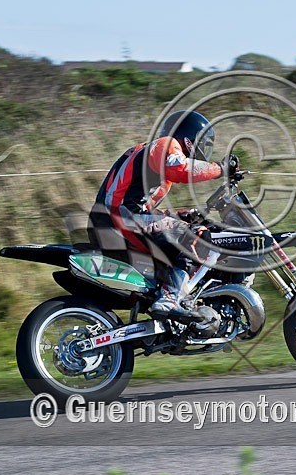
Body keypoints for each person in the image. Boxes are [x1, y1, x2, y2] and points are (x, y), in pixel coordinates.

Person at [90, 110, 239, 322]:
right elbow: (180, 169)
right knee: (199, 238)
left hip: (116, 218)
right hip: (121, 220)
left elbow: (140, 205)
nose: (204, 149)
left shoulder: (150, 153)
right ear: (190, 137)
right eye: (202, 142)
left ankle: (170, 295)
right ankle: (171, 298)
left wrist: (179, 214)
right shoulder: (166, 145)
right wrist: (220, 168)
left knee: (185, 231)